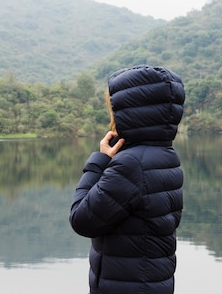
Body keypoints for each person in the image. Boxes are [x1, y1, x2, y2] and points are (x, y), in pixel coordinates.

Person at [69, 65, 185, 294]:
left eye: (114, 106)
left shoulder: (130, 164)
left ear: (131, 111)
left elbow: (81, 219)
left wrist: (99, 161)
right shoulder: (165, 155)